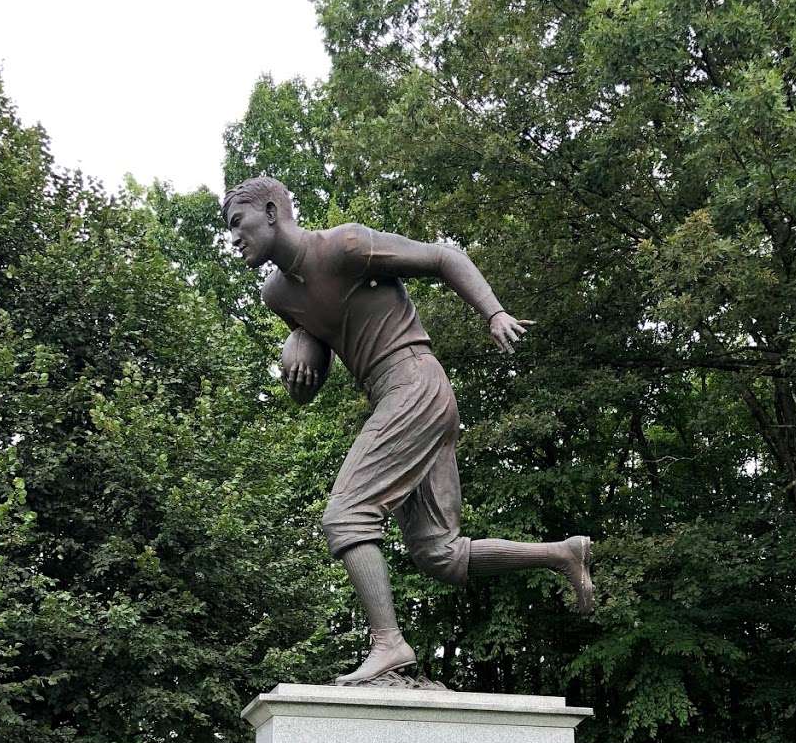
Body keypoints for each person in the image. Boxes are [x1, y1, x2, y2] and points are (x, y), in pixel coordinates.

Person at [223, 175, 593, 686]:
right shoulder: (277, 294)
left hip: (414, 380)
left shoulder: (344, 245)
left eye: (237, 223)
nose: (233, 238)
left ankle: (389, 644)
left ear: (270, 211)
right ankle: (561, 554)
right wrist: (299, 354)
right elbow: (308, 383)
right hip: (396, 395)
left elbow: (443, 257)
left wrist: (494, 313)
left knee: (347, 514)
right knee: (438, 554)